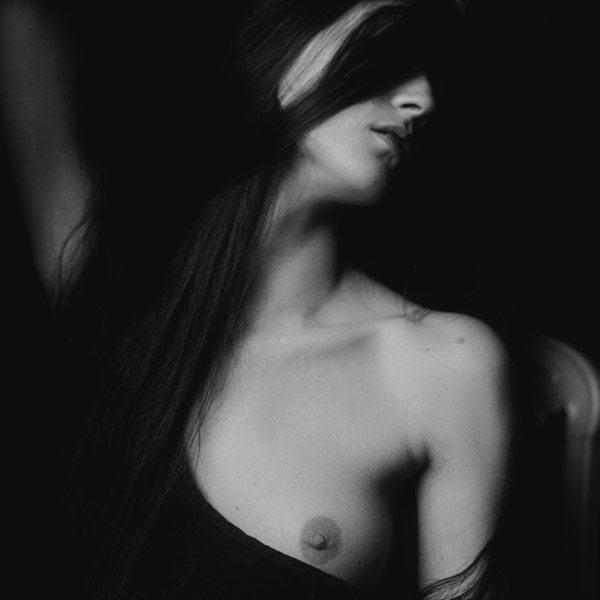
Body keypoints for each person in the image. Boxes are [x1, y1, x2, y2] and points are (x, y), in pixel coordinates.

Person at [3, 1, 515, 598]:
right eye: (392, 47)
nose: (423, 99)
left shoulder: (441, 365)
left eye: (429, 71)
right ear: (288, 32)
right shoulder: (104, 272)